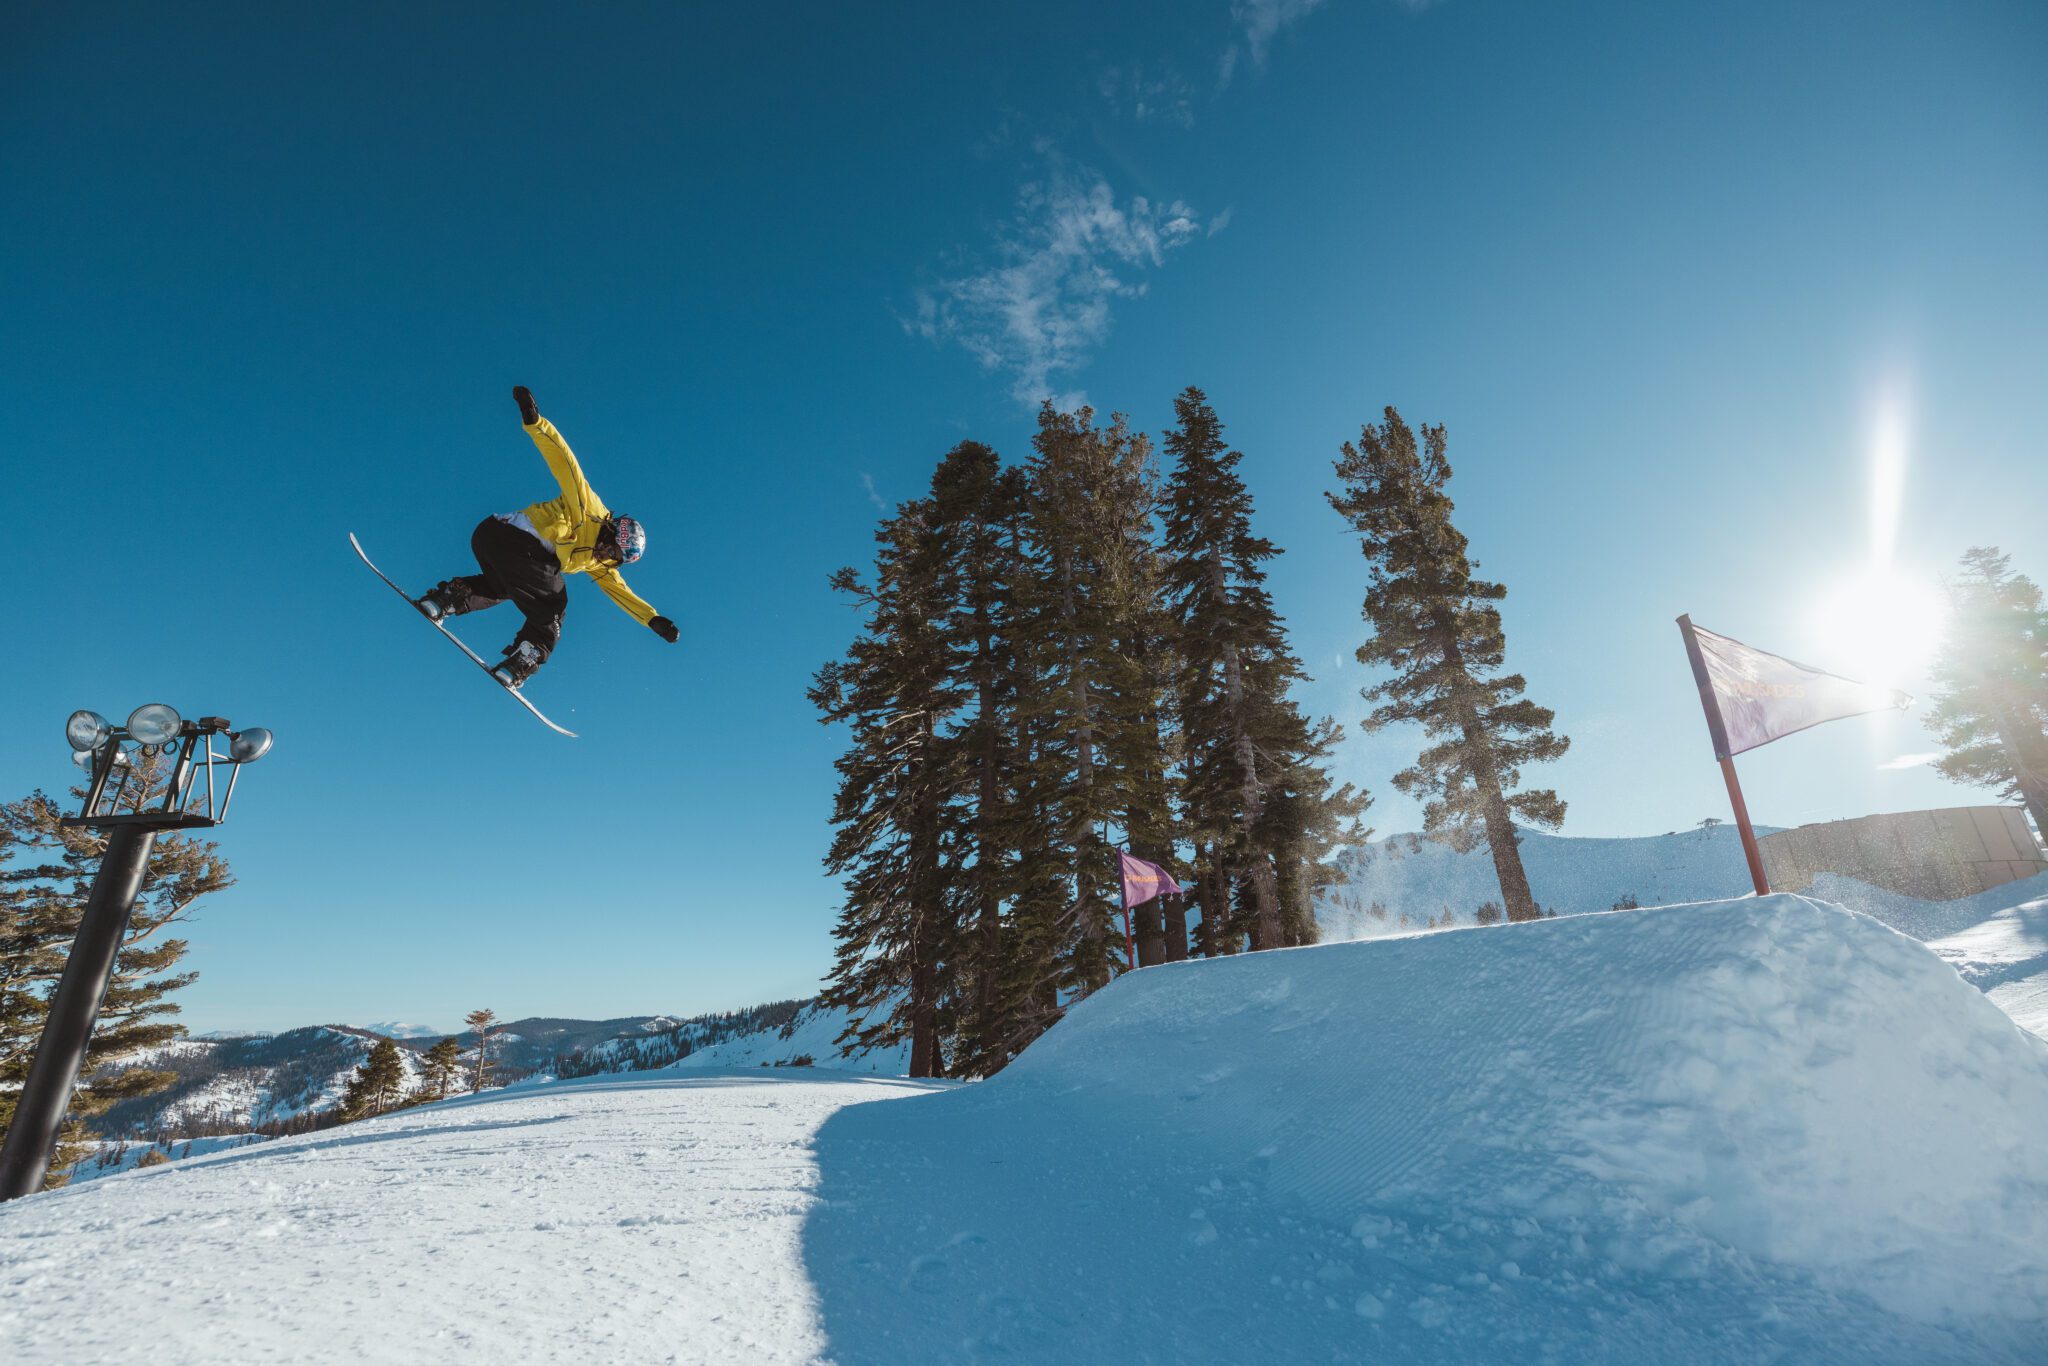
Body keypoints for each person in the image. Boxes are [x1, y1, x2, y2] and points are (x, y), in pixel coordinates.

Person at [417, 386, 679, 687]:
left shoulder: (600, 565)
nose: (604, 556)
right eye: (610, 549)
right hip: (515, 541)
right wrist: (536, 424)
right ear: (611, 531)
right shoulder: (590, 509)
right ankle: (525, 658)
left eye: (614, 559)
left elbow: (621, 593)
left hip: (490, 539)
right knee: (554, 605)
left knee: (502, 587)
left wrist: (652, 620)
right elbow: (567, 465)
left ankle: (447, 598)